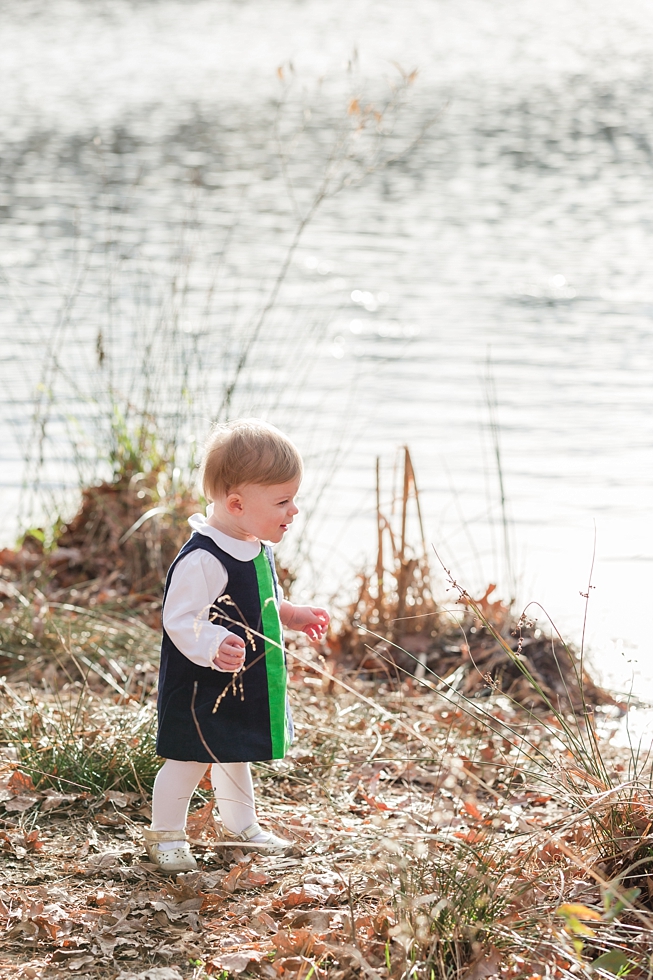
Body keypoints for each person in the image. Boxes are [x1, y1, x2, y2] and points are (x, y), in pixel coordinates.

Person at [143, 419, 330, 873]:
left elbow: (263, 601)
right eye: (283, 501)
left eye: (294, 499)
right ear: (236, 503)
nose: (294, 510)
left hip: (241, 681)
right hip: (201, 682)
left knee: (234, 750)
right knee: (188, 758)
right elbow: (180, 618)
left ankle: (241, 823)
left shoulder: (256, 545)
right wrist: (213, 643)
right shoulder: (204, 557)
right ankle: (165, 833)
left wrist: (292, 614)